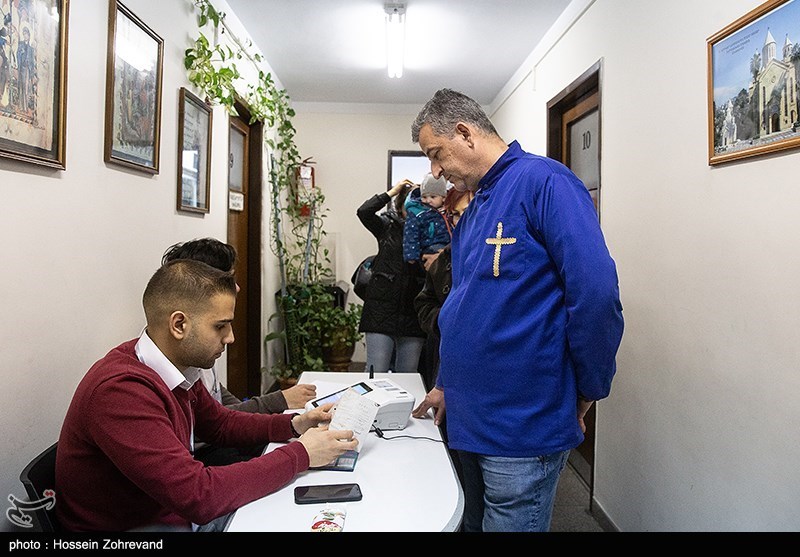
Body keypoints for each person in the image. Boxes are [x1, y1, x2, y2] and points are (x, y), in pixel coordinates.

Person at [409, 88, 624, 532]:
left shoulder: (545, 183)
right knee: (469, 524)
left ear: (465, 133)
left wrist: (587, 389)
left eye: (436, 154)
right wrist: (447, 383)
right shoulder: (475, 209)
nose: (436, 171)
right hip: (468, 416)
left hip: (520, 424)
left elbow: (596, 295)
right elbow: (462, 308)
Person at [55, 259, 357, 532]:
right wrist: (301, 454)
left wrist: (294, 425)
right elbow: (198, 496)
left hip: (171, 513)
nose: (230, 337)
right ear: (179, 324)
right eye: (220, 326)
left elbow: (220, 425)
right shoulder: (120, 392)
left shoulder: (175, 365)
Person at [161, 238, 317, 465]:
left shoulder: (197, 349)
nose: (236, 287)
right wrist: (280, 403)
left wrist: (294, 424)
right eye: (229, 280)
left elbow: (220, 413)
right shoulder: (175, 357)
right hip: (206, 453)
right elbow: (194, 483)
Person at [356, 179, 427, 372]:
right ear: (401, 204)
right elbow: (364, 212)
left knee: (408, 375)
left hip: (413, 313)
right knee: (375, 372)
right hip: (381, 311)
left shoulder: (430, 230)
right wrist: (392, 191)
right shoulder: (387, 225)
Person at [402, 173, 451, 267]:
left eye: (433, 197)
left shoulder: (448, 210)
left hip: (449, 246)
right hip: (430, 247)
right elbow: (411, 234)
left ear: (444, 198)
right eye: (424, 197)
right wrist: (411, 256)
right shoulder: (418, 212)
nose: (428, 200)